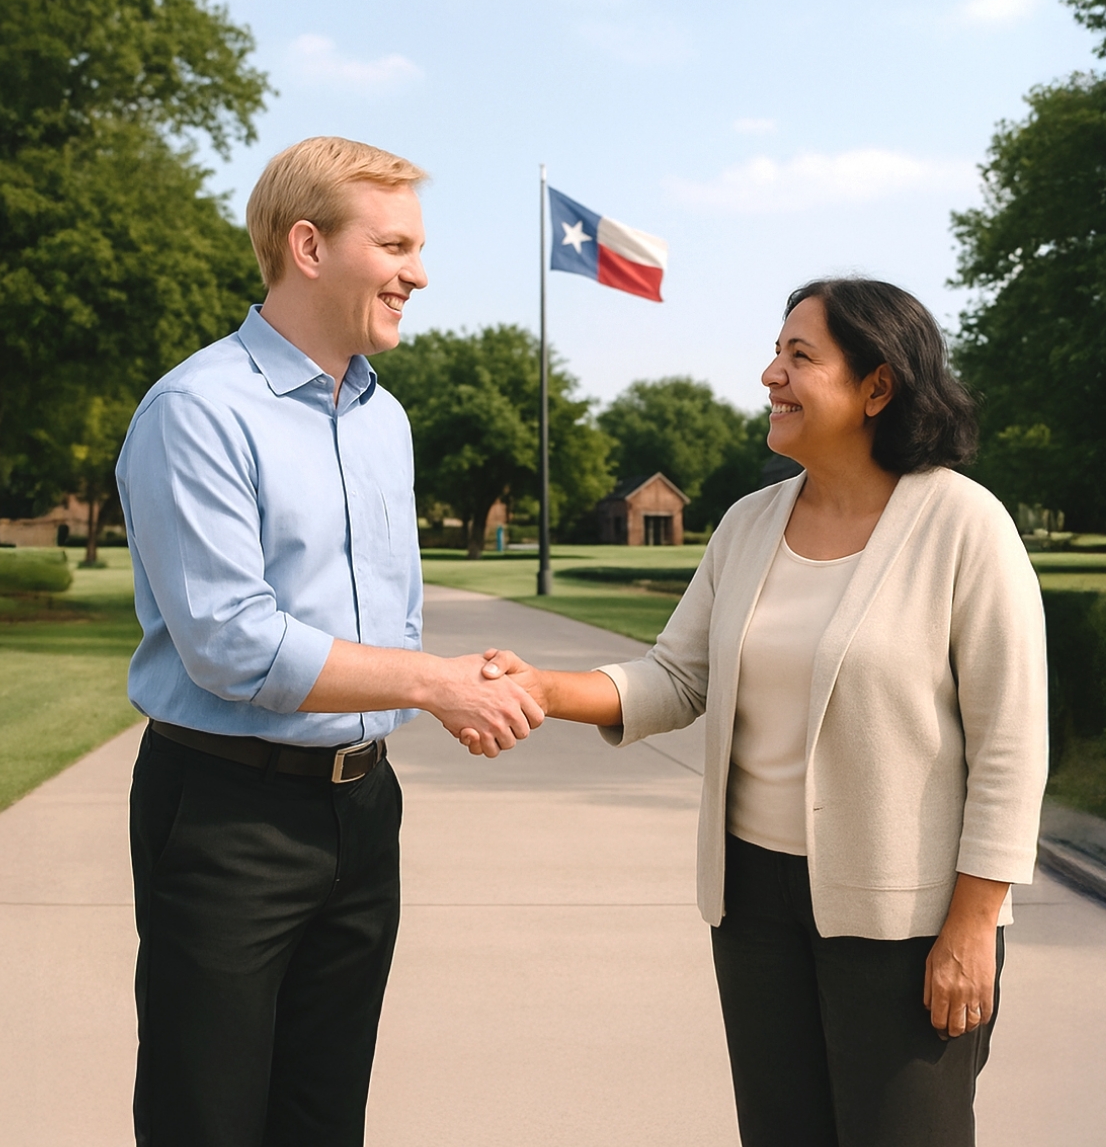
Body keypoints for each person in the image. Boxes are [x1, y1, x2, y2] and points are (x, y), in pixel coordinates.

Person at [489, 278, 1046, 1147]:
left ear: (876, 387)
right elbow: (678, 676)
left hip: (905, 920)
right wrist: (541, 687)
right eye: (776, 352)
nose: (770, 375)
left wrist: (973, 925)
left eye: (799, 356)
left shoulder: (964, 525)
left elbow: (1012, 744)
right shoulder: (748, 524)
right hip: (753, 906)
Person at [116, 136, 544, 1147]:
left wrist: (447, 686)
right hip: (226, 816)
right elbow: (232, 642)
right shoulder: (197, 411)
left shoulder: (381, 418)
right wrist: (435, 683)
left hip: (361, 809)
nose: (418, 272)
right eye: (393, 244)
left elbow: (372, 623)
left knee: (322, 1119)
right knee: (208, 1119)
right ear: (307, 247)